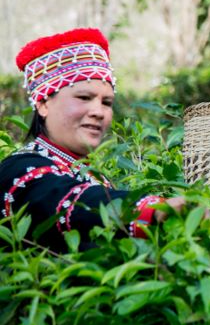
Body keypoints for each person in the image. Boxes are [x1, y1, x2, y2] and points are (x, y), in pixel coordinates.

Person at [0, 28, 184, 252]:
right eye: (84, 98)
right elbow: (72, 202)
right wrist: (154, 210)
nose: (99, 111)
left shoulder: (93, 174)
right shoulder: (19, 171)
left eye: (106, 102)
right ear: (44, 104)